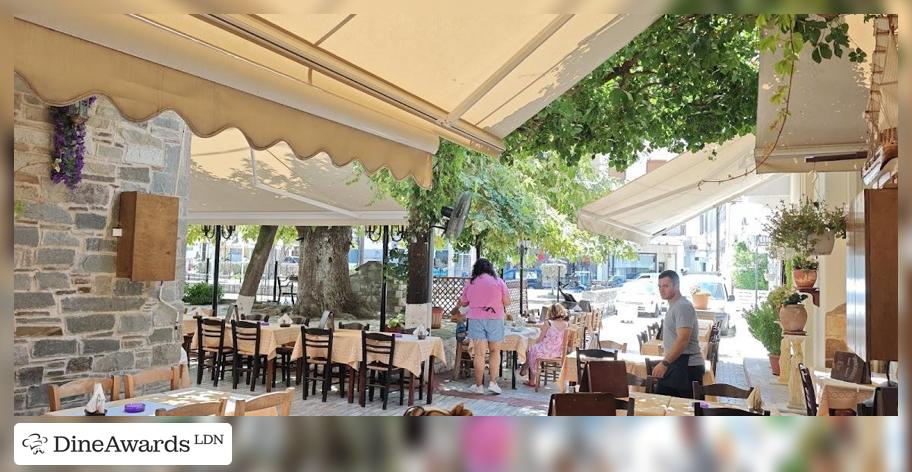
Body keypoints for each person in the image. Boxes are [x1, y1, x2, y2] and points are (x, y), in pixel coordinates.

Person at [459, 258, 511, 395]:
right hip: (495, 318)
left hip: (476, 319)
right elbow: (507, 302)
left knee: (479, 354)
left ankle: (479, 386)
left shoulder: (470, 282)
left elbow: (463, 303)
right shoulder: (499, 281)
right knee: (495, 352)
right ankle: (493, 383)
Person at [653, 270, 705, 397]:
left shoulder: (682, 306)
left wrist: (664, 363)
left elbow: (683, 340)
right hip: (676, 363)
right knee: (664, 404)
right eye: (659, 286)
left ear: (676, 286)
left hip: (686, 366)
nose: (661, 289)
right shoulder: (675, 305)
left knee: (686, 410)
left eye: (666, 286)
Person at [520, 303, 569, 387]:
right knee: (533, 350)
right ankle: (525, 368)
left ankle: (529, 375)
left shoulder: (548, 323)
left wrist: (535, 344)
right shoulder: (566, 324)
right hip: (558, 351)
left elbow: (540, 338)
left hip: (547, 350)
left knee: (530, 350)